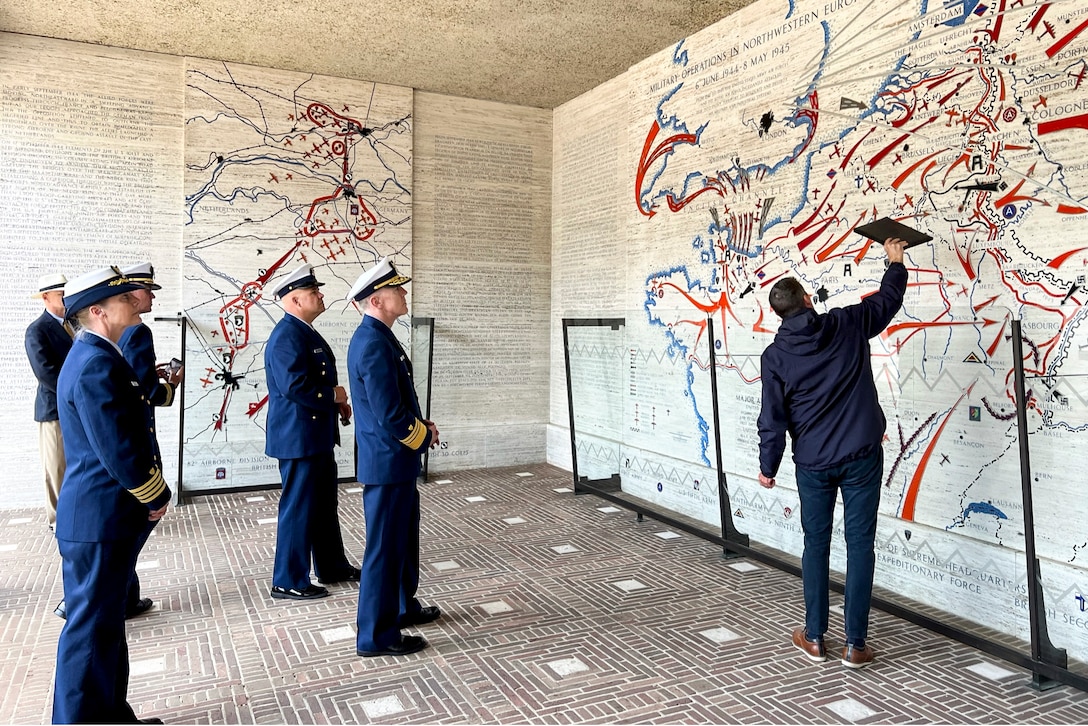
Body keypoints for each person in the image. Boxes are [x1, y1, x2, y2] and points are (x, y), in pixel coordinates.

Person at [756, 237, 907, 670]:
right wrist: (895, 262)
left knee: (815, 545)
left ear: (780, 312)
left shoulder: (775, 357)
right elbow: (886, 302)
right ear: (807, 300)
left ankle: (816, 637)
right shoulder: (847, 323)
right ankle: (856, 645)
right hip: (862, 456)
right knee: (860, 545)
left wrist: (769, 466)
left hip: (813, 463)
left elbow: (774, 418)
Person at [52, 266, 171, 724]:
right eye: (124, 299)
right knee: (88, 632)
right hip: (97, 518)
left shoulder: (100, 354)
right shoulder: (95, 363)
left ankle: (111, 714)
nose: (135, 303)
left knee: (105, 628)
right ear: (98, 311)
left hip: (104, 516)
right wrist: (152, 493)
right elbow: (117, 446)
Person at [347, 257, 441, 657]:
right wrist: (421, 435)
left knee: (401, 539)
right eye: (396, 290)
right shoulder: (372, 342)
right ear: (377, 300)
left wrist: (420, 429)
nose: (404, 294)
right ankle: (376, 636)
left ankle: (402, 607)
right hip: (388, 461)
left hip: (393, 460)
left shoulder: (380, 336)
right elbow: (389, 415)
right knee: (384, 549)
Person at [264, 263, 358, 601]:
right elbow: (295, 387)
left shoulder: (304, 331)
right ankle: (287, 579)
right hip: (298, 438)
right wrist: (333, 395)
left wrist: (335, 404)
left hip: (313, 436)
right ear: (294, 299)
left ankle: (331, 566)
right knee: (299, 507)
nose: (321, 296)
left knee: (322, 505)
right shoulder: (287, 335)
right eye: (313, 292)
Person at [117, 262, 183, 617]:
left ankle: (127, 594)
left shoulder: (117, 333)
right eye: (148, 291)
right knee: (145, 514)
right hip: (139, 435)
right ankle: (114, 592)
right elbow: (146, 392)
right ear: (130, 295)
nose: (152, 297)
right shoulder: (138, 331)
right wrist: (172, 384)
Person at [24, 273, 73, 531]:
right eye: (61, 294)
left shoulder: (74, 324)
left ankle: (73, 516)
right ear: (46, 297)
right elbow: (45, 372)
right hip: (53, 410)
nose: (67, 298)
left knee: (73, 465)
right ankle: (58, 522)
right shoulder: (37, 330)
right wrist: (75, 394)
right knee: (55, 468)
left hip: (75, 408)